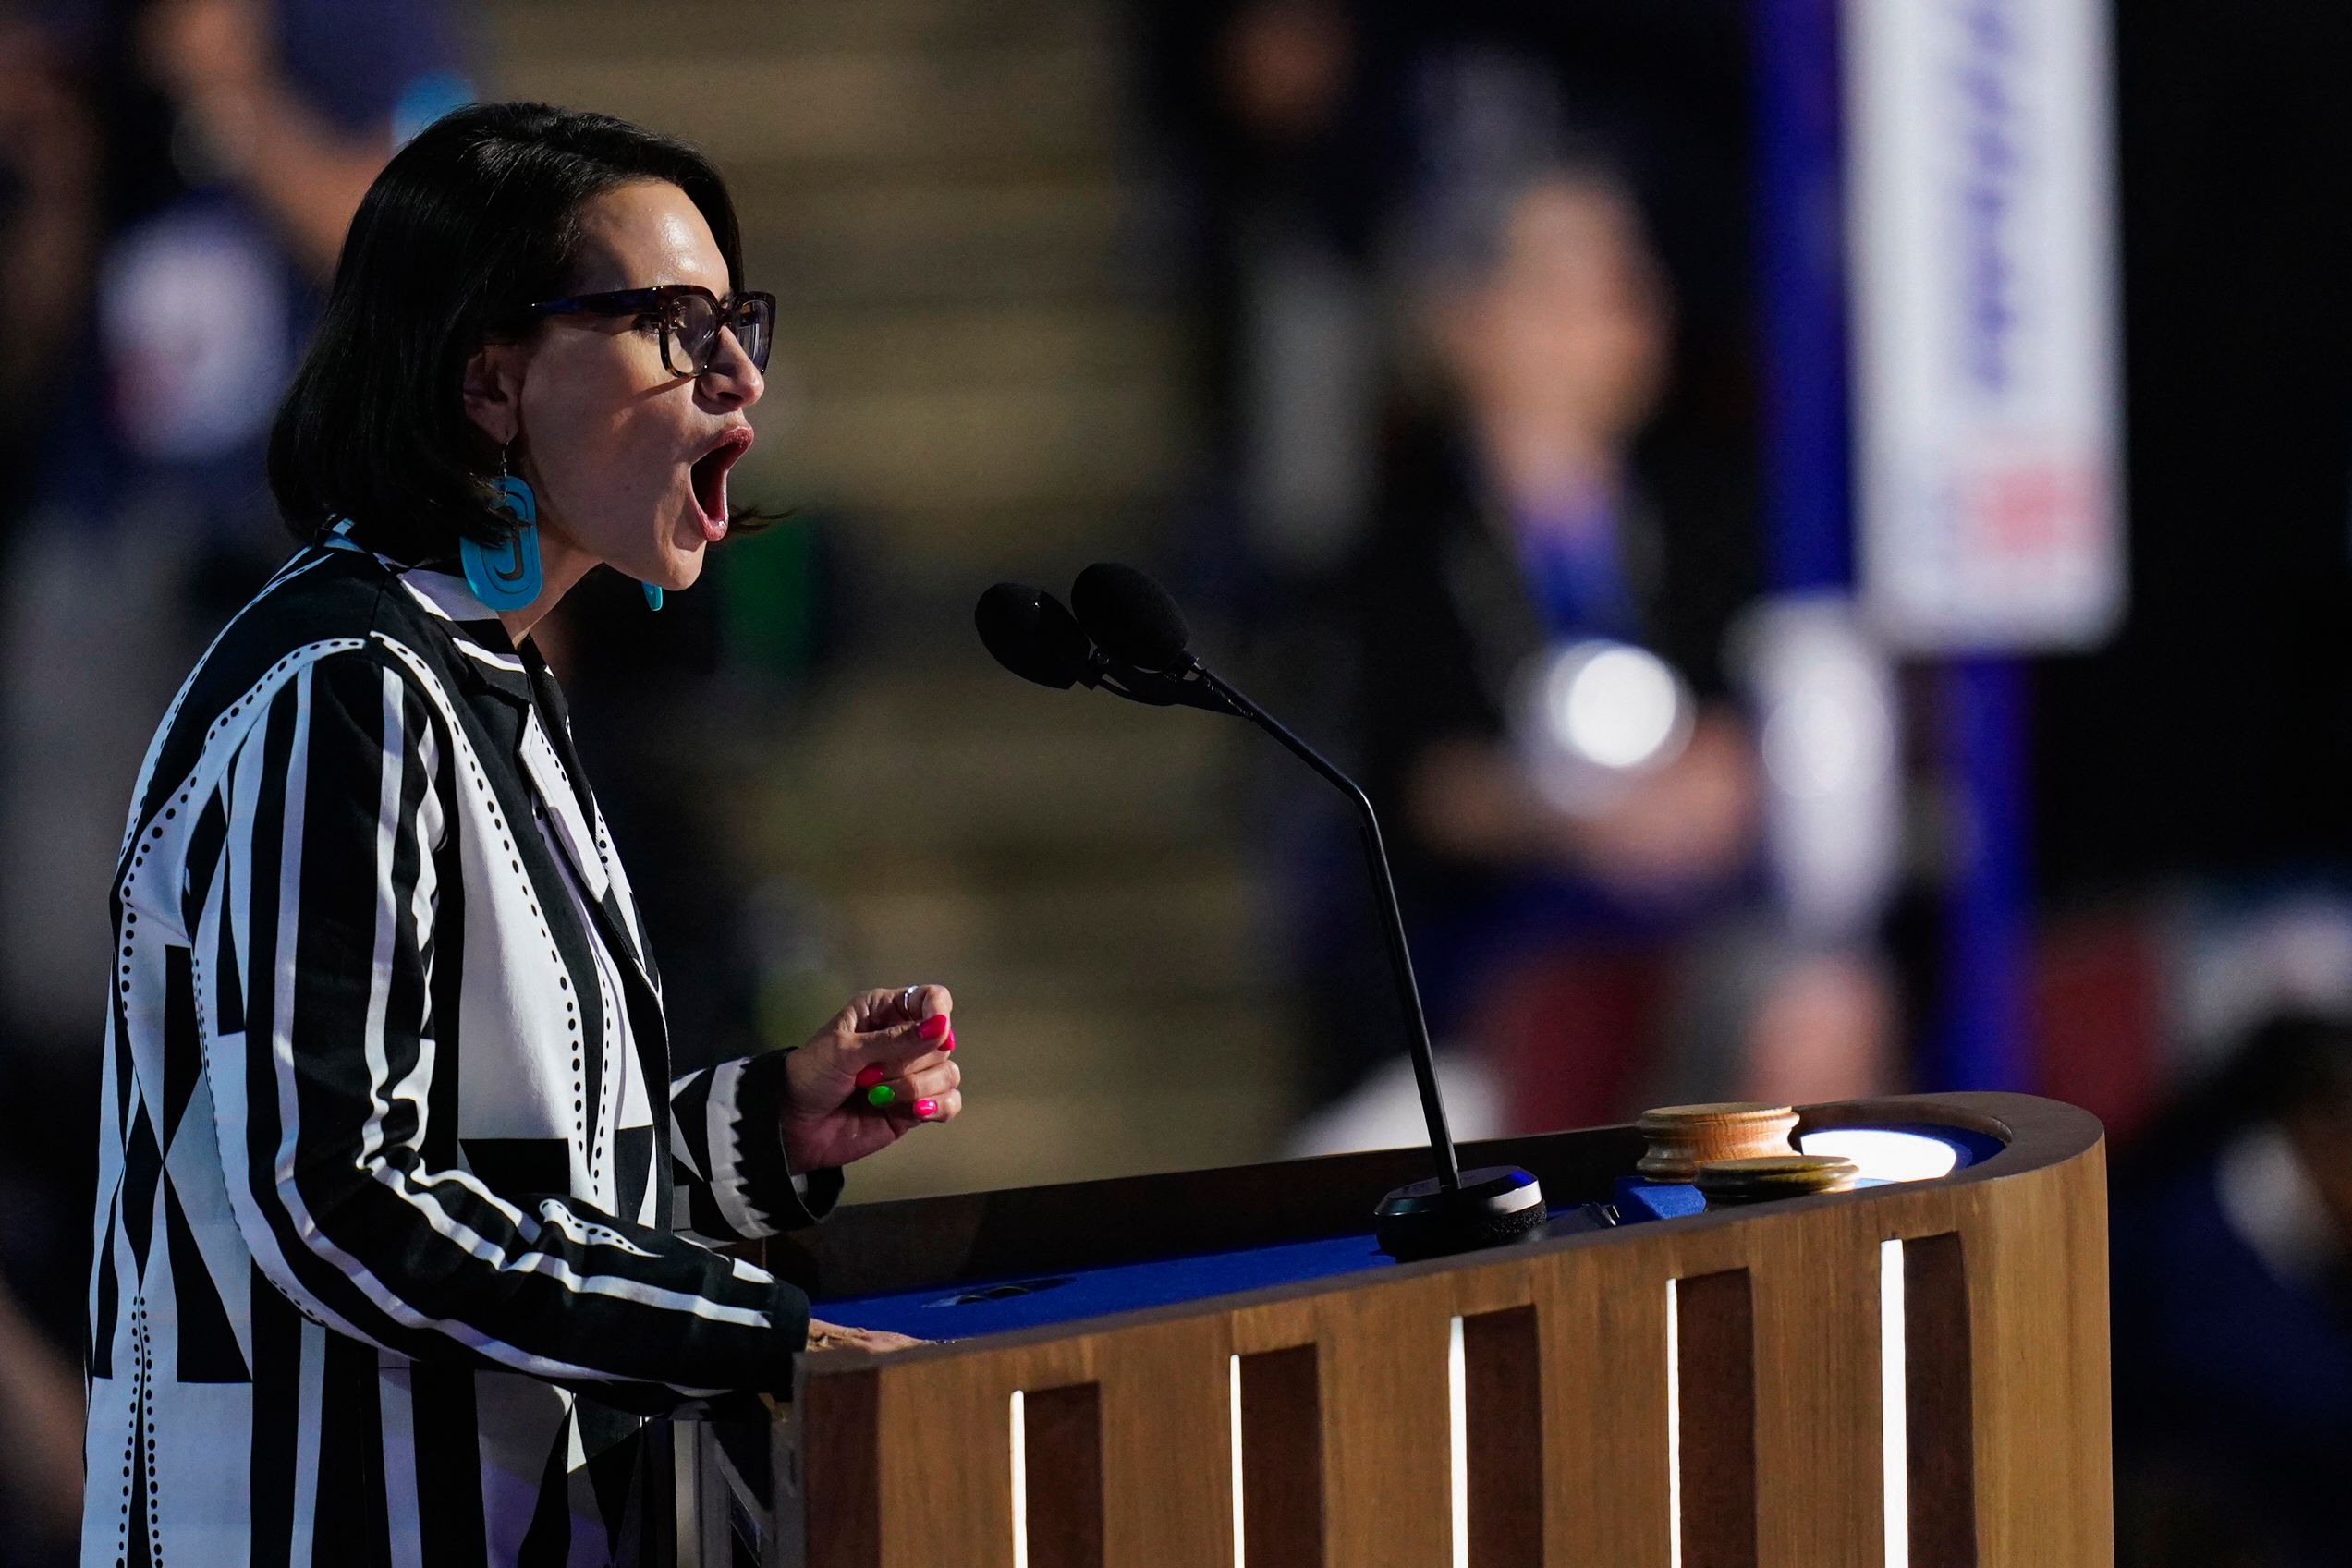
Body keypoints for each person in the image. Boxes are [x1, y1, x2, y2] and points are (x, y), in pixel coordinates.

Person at [82, 103, 964, 1567]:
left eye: (738, 319)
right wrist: (757, 1333)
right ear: (490, 379)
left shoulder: (482, 673)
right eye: (674, 326)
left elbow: (500, 1181)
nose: (740, 372)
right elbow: (338, 1196)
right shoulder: (343, 686)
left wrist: (764, 1124)